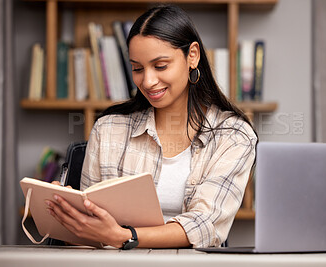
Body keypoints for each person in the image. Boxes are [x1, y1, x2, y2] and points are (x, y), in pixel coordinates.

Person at [46, 4, 257, 249]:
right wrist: (68, 216)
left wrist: (124, 236)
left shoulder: (233, 135)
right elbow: (89, 237)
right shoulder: (109, 129)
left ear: (193, 56)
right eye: (137, 68)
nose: (147, 81)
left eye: (160, 66)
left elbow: (205, 225)